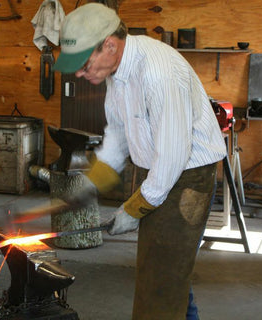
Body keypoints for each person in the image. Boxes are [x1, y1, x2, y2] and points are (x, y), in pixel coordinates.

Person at [53, 3, 228, 320]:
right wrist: (90, 186)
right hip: (158, 174)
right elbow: (119, 134)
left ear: (110, 44)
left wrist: (134, 209)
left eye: (83, 63)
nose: (79, 73)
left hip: (186, 178)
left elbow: (173, 155)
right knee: (168, 272)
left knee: (159, 286)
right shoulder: (118, 73)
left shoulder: (158, 72)